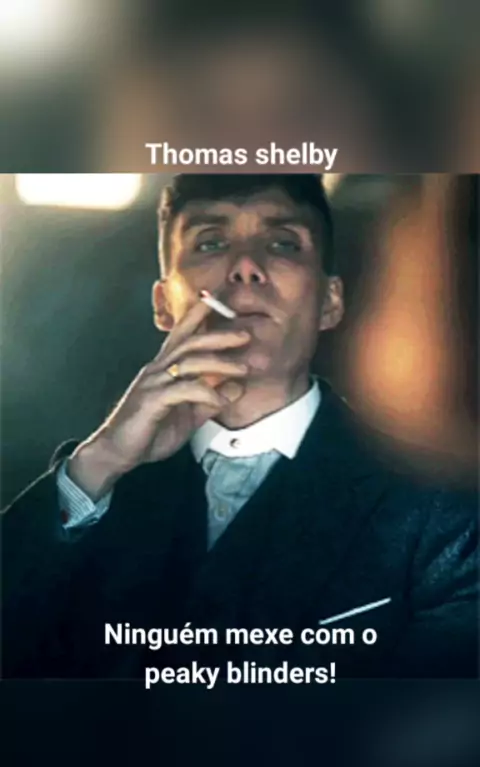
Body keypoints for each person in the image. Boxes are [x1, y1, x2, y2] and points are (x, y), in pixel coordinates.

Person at [2, 174, 477, 679]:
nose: (246, 266)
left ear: (330, 302)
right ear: (163, 304)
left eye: (282, 243)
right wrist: (99, 462)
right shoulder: (95, 488)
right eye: (210, 242)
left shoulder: (441, 509)